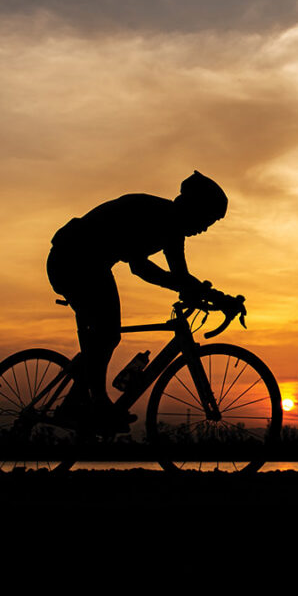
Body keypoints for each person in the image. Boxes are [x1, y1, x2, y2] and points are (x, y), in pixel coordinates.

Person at [46, 171, 235, 430]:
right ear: (194, 208)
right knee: (109, 334)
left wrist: (211, 296)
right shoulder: (161, 217)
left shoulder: (170, 223)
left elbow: (177, 276)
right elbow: (143, 268)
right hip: (75, 260)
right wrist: (210, 296)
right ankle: (93, 405)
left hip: (84, 261)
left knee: (103, 338)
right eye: (206, 220)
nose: (203, 229)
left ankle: (81, 403)